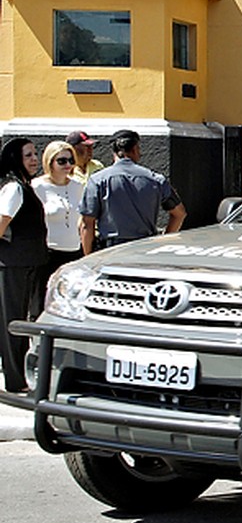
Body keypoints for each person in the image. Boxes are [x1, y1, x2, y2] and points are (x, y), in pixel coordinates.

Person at [80, 130, 187, 253]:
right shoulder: (156, 180)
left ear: (113, 152)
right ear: (135, 149)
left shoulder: (97, 180)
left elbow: (86, 224)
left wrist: (88, 258)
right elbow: (180, 213)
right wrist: (165, 238)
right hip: (145, 249)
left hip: (111, 251)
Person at [0, 138, 48, 392]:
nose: (33, 159)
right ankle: (15, 380)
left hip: (23, 262)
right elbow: (1, 222)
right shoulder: (14, 189)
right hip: (13, 264)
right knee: (13, 322)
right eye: (28, 155)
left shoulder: (24, 187)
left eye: (35, 153)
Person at [31, 141, 85, 314]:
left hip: (74, 251)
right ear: (50, 162)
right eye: (62, 161)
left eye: (71, 160)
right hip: (48, 252)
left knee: (70, 303)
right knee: (41, 302)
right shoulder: (38, 186)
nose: (68, 165)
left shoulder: (78, 186)